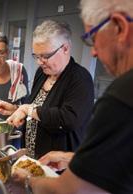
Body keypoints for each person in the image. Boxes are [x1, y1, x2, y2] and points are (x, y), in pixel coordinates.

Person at [12, 0, 133, 193]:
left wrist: (29, 180)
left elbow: (73, 189)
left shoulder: (119, 95)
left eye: (93, 39)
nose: (93, 52)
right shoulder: (41, 73)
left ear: (120, 27)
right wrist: (71, 158)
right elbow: (114, 163)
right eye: (37, 56)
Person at [0, 20, 94, 159]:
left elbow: (68, 119)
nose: (39, 62)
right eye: (36, 56)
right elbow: (37, 106)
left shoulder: (80, 78)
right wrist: (16, 109)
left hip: (57, 166)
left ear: (65, 48)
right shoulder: (42, 73)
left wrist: (27, 109)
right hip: (32, 157)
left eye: (45, 56)